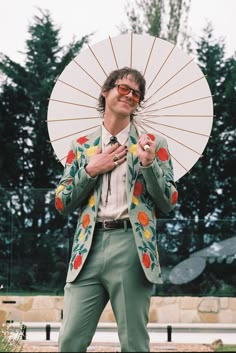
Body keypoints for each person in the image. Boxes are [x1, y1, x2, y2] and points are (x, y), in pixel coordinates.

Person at [55, 66, 178, 352]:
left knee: (134, 343)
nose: (130, 96)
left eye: (137, 93)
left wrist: (149, 165)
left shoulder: (153, 144)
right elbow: (61, 202)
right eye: (124, 88)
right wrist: (90, 169)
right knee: (70, 341)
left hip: (132, 247)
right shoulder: (82, 146)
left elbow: (169, 201)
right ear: (106, 91)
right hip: (87, 248)